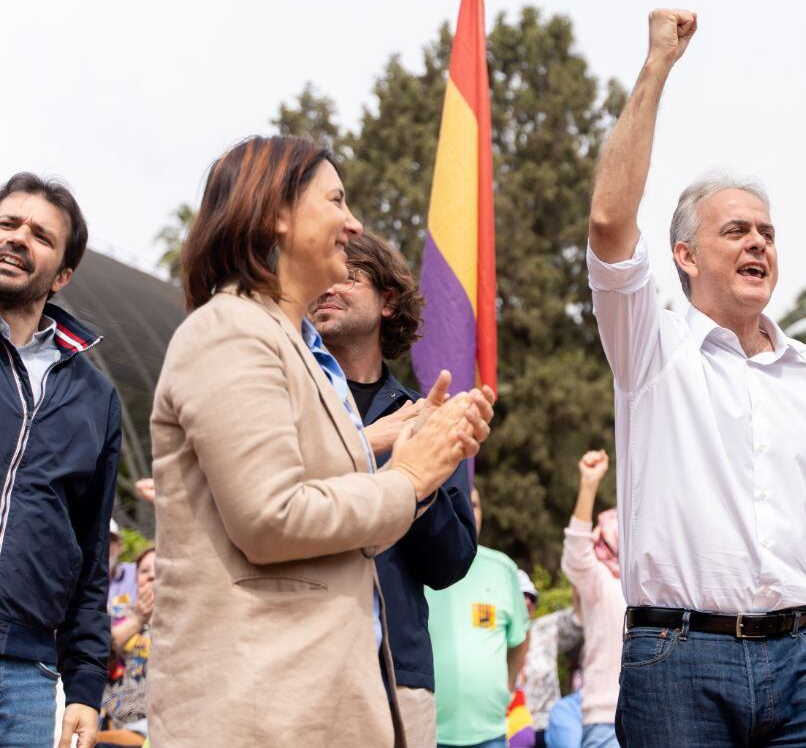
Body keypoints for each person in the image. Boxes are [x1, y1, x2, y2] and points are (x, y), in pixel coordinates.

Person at [588, 9, 806, 747]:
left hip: (805, 661)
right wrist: (658, 65)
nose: (758, 240)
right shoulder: (650, 344)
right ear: (686, 256)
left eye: (767, 231)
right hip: (677, 663)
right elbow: (609, 222)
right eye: (735, 230)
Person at [148, 136, 495, 746]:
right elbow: (270, 516)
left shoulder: (302, 355)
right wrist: (408, 476)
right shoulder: (231, 331)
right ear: (277, 214)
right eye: (335, 200)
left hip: (323, 697)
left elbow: (410, 547)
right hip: (258, 707)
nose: (352, 222)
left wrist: (430, 462)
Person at [312, 230, 479, 747]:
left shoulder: (425, 416)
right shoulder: (281, 398)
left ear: (388, 301)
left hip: (396, 677)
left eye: (347, 275)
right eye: (319, 278)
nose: (327, 288)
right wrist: (369, 442)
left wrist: (417, 479)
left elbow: (449, 564)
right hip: (295, 667)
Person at [0, 172, 120, 748]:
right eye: (7, 224)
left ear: (63, 274)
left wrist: (85, 686)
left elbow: (92, 555)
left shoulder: (96, 399)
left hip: (28, 674)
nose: (19, 237)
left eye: (40, 236)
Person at [427, 486, 532, 748]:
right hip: (428, 733)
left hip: (491, 734)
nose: (469, 513)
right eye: (459, 504)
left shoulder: (502, 567)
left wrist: (505, 689)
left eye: (475, 505)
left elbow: (520, 639)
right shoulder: (420, 568)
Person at [560, 450, 626, 748]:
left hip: (654, 711)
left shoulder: (653, 583)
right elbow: (576, 552)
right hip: (605, 719)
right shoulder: (599, 579)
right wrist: (588, 485)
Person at [515, 572, 583, 746]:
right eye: (522, 595)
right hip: (508, 730)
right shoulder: (492, 637)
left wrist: (581, 575)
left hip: (545, 728)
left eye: (532, 597)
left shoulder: (546, 628)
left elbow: (579, 616)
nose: (528, 601)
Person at [101, 546, 155, 735]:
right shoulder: (116, 613)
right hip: (120, 727)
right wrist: (137, 620)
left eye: (159, 568)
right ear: (136, 579)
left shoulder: (187, 619)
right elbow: (97, 654)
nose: (152, 576)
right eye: (144, 571)